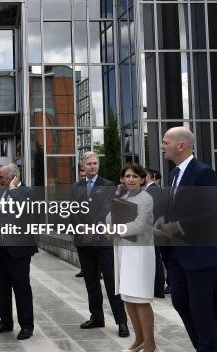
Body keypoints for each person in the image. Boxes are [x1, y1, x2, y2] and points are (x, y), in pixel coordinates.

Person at [155, 126, 217, 351]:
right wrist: (163, 221)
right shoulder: (173, 174)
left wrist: (178, 226)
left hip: (199, 257)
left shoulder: (203, 173)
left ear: (181, 145)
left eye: (165, 142)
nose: (162, 146)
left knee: (203, 312)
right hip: (176, 256)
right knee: (181, 304)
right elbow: (175, 208)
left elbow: (212, 212)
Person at [71, 151, 129, 337]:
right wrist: (82, 230)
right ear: (83, 166)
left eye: (95, 163)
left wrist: (92, 229)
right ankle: (96, 317)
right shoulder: (76, 186)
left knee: (112, 281)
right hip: (83, 241)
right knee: (90, 280)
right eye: (89, 164)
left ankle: (122, 322)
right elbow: (73, 210)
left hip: (102, 240)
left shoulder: (108, 185)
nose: (93, 166)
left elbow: (106, 210)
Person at [106, 164, 156, 352]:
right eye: (127, 176)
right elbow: (109, 220)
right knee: (128, 298)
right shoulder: (122, 198)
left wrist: (116, 229)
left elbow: (140, 225)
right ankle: (139, 339)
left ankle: (150, 345)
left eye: (135, 176)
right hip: (124, 252)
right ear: (122, 179)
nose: (130, 179)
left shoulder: (146, 199)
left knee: (140, 299)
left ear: (142, 179)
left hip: (140, 253)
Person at [0, 164, 37, 341]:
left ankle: (26, 326)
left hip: (19, 251)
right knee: (2, 288)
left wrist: (14, 189)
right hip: (0, 249)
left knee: (21, 289)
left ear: (13, 177)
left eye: (1, 177)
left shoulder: (25, 192)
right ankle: (5, 321)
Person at [144, 168, 168, 298]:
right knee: (158, 259)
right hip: (161, 229)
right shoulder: (161, 191)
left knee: (155, 260)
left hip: (151, 229)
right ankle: (159, 288)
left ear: (148, 177)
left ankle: (157, 288)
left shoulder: (149, 192)